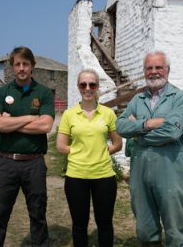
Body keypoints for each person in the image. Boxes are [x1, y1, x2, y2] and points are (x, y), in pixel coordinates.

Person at [115, 51, 183, 247]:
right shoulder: (137, 100)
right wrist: (147, 124)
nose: (154, 72)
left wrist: (138, 133)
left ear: (167, 70)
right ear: (144, 71)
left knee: (176, 229)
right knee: (145, 227)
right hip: (140, 172)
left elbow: (172, 132)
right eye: (149, 68)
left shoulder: (179, 98)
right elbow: (120, 126)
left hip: (170, 170)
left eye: (159, 67)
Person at [0, 46, 55, 247]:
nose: (22, 68)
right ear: (12, 67)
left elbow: (46, 125)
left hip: (34, 164)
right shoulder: (1, 93)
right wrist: (29, 118)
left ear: (32, 66)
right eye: (18, 64)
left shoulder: (43, 93)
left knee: (38, 214)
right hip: (6, 163)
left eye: (26, 64)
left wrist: (11, 122)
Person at [56, 69, 122, 247]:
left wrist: (101, 151)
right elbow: (61, 146)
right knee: (79, 226)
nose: (87, 88)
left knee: (105, 225)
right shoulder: (69, 114)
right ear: (78, 87)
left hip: (104, 176)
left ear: (97, 87)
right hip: (76, 176)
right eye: (83, 84)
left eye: (92, 84)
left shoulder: (108, 113)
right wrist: (82, 152)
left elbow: (117, 143)